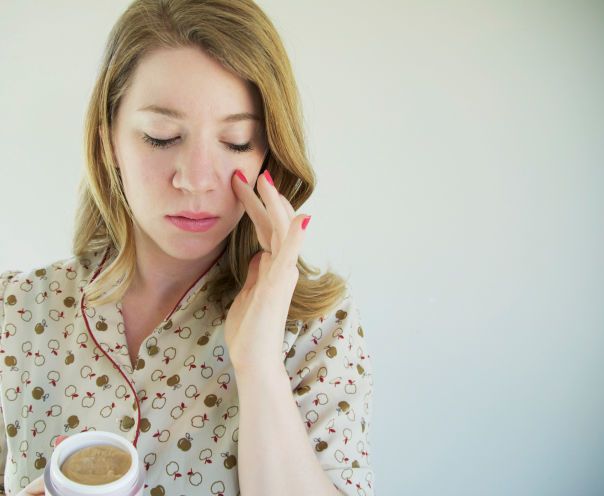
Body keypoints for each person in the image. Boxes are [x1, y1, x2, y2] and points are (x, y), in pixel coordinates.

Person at [0, 1, 374, 495]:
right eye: (162, 137)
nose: (195, 179)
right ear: (108, 138)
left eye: (237, 141)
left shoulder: (316, 328)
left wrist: (259, 361)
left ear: (267, 151)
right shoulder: (17, 309)